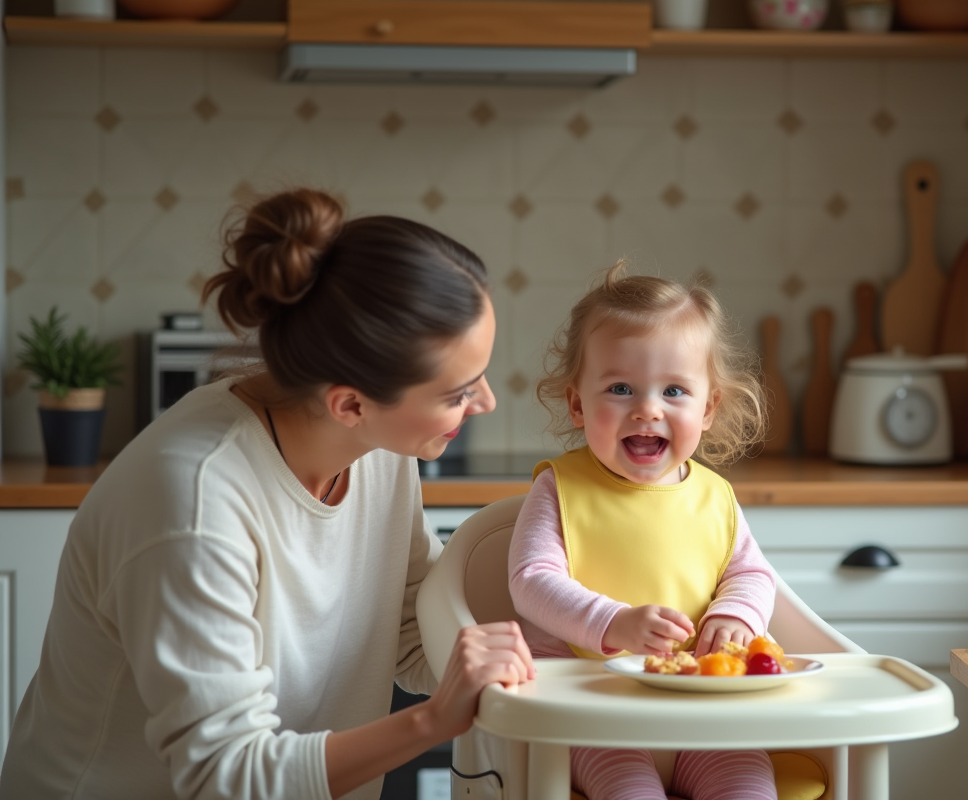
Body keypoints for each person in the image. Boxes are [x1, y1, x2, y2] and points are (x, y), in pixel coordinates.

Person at [0, 188, 535, 800]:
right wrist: (433, 721)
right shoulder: (195, 504)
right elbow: (228, 774)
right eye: (458, 392)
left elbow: (410, 632)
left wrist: (562, 620)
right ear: (350, 404)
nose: (486, 402)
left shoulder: (378, 447)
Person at [508, 262, 779, 800]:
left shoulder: (716, 497)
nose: (647, 410)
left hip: (698, 703)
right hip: (592, 705)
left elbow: (751, 574)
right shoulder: (560, 488)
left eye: (674, 390)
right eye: (621, 388)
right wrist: (614, 623)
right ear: (578, 404)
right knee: (629, 790)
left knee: (749, 784)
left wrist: (734, 616)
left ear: (708, 407)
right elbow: (531, 580)